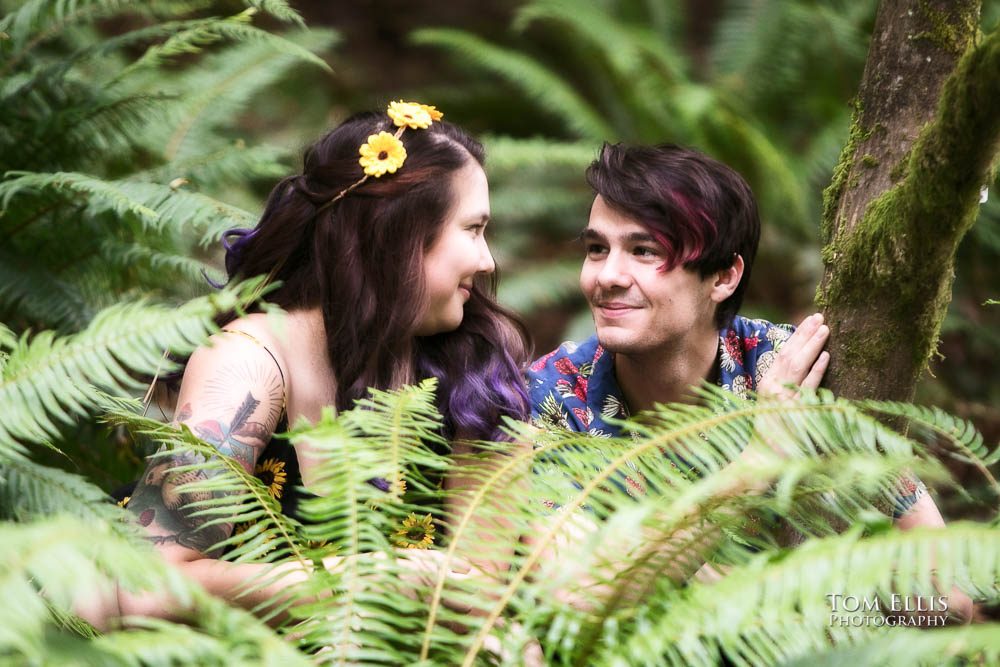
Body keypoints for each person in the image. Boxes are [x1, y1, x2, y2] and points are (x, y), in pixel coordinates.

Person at [80, 102, 532, 628]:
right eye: (473, 229)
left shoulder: (473, 368)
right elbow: (143, 588)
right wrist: (366, 580)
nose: (488, 261)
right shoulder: (249, 364)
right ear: (398, 237)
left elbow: (476, 599)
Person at [526, 142, 972, 619]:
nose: (607, 275)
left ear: (723, 276)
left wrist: (802, 605)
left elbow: (948, 603)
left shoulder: (797, 372)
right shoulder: (553, 395)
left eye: (644, 250)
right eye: (597, 249)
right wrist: (758, 464)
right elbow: (571, 600)